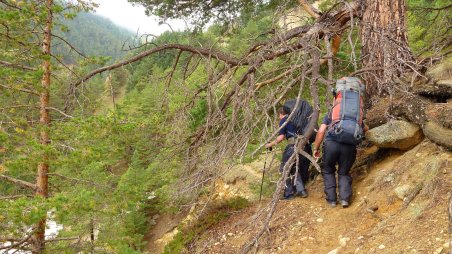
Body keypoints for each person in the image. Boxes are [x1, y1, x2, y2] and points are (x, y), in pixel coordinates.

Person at [313, 84, 369, 208]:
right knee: (344, 172)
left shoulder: (333, 114)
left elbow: (321, 131)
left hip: (332, 144)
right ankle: (345, 199)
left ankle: (332, 200)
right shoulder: (355, 116)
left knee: (328, 170)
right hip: (349, 147)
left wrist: (316, 148)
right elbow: (366, 129)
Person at [265, 107, 311, 200]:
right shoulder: (293, 120)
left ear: (281, 114)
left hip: (292, 145)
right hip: (301, 145)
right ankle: (301, 190)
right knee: (293, 168)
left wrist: (270, 144)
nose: (279, 117)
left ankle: (289, 194)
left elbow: (281, 137)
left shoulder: (284, 120)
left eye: (279, 115)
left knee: (284, 168)